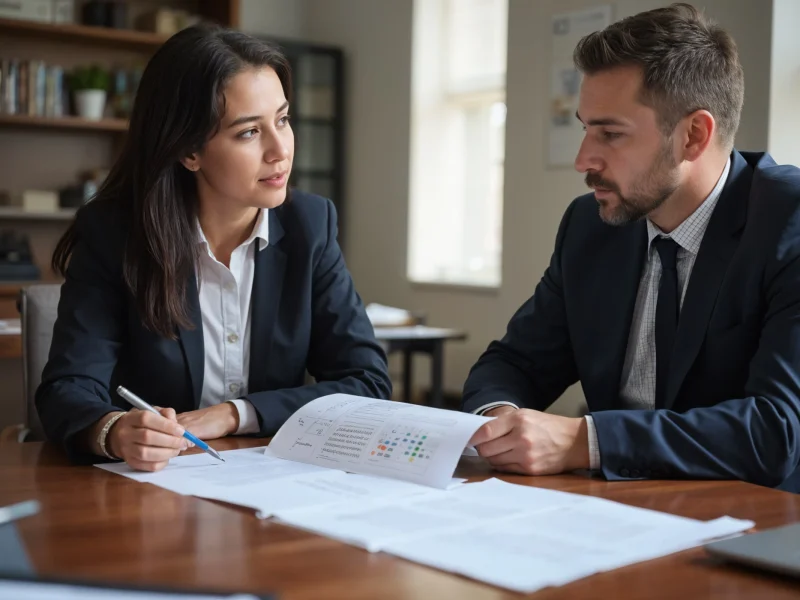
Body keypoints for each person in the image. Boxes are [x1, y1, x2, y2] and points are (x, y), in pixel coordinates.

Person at [463, 3, 800, 492]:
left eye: (610, 133)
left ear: (693, 135)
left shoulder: (787, 220)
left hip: (755, 523)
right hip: (615, 508)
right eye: (585, 128)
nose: (583, 160)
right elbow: (514, 363)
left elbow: (775, 433)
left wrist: (587, 441)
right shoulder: (590, 226)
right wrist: (501, 419)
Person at [36, 25, 391, 472]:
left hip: (271, 485)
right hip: (149, 495)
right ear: (189, 150)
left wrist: (235, 414)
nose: (280, 149)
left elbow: (367, 382)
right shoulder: (116, 236)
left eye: (282, 119)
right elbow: (67, 389)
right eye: (248, 133)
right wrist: (113, 431)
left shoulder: (310, 226)